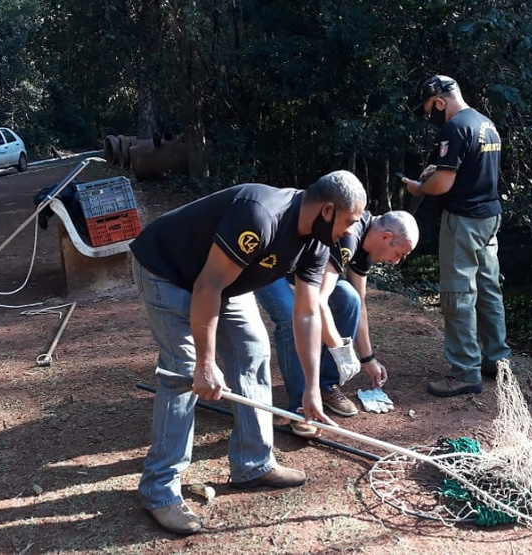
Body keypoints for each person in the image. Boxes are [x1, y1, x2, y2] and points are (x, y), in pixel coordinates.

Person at [130, 170, 367, 535]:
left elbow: (304, 313)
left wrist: (311, 388)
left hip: (226, 280)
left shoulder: (318, 243)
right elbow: (207, 286)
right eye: (349, 221)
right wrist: (207, 364)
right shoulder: (260, 215)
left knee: (254, 351)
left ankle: (253, 463)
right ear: (327, 210)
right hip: (169, 270)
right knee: (184, 370)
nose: (351, 232)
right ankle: (159, 491)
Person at [255, 211, 419, 435]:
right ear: (386, 237)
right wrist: (340, 349)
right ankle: (301, 407)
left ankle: (324, 385)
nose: (396, 261)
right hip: (269, 262)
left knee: (349, 298)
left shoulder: (366, 247)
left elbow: (358, 303)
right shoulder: (349, 236)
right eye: (398, 253)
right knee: (290, 315)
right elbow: (318, 302)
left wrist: (368, 359)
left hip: (302, 268)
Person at [402, 74, 512, 397]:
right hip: (490, 217)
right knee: (489, 289)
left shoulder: (455, 127)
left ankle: (465, 371)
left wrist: (420, 186)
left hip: (463, 220)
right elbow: (470, 170)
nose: (430, 116)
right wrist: (435, 173)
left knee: (458, 293)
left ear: (439, 101)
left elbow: (443, 185)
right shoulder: (485, 123)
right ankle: (497, 360)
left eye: (429, 109)